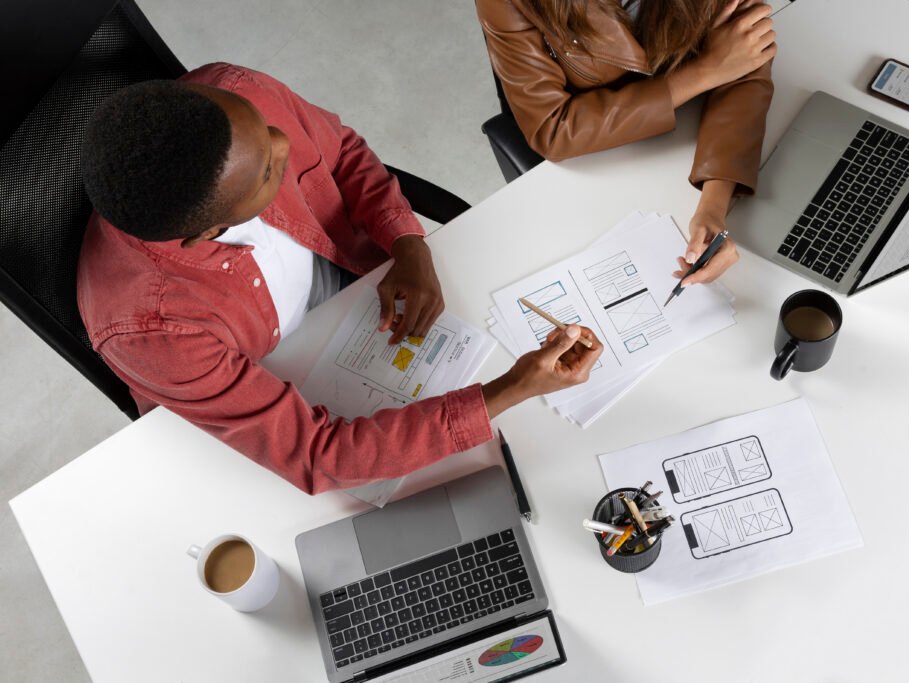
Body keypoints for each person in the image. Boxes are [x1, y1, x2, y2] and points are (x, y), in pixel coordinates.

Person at [77, 62, 602, 495]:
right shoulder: (152, 330)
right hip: (264, 380)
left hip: (347, 278)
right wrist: (513, 388)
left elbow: (343, 153)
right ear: (208, 231)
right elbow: (318, 456)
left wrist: (407, 244)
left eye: (265, 130)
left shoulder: (235, 92)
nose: (281, 143)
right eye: (267, 173)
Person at [476, 0, 776, 286]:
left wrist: (713, 205)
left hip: (675, 144)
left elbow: (745, 54)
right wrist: (704, 71)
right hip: (596, 164)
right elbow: (553, 127)